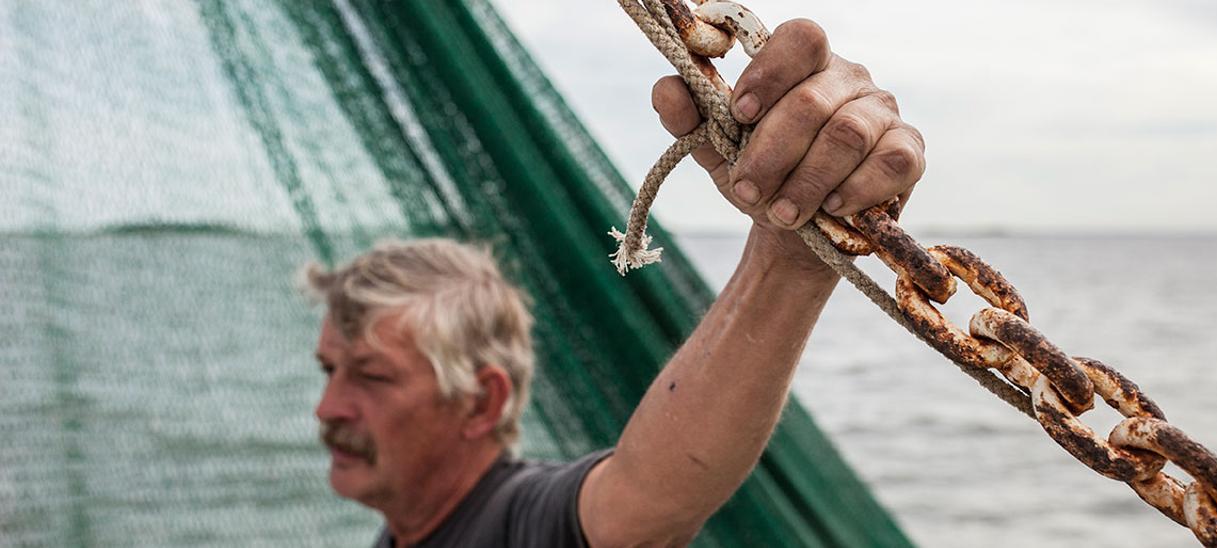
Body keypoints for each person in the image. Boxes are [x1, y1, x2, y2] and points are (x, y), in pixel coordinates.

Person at [305, 18, 925, 548]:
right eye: (330, 371)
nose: (328, 409)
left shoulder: (523, 522)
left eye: (373, 376)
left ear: (482, 402)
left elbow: (646, 500)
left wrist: (789, 256)